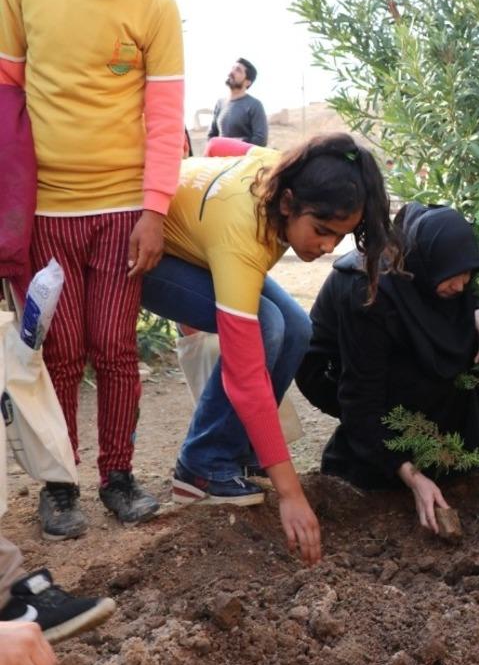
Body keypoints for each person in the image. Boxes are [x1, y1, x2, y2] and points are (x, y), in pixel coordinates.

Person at [140, 133, 399, 566]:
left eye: (341, 236)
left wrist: (201, 191)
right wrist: (290, 492)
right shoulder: (243, 233)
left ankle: (235, 456)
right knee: (266, 327)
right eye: (321, 230)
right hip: (150, 251)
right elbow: (246, 376)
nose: (328, 247)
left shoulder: (282, 168)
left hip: (199, 241)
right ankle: (201, 468)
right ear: (288, 204)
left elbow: (222, 147)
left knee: (296, 327)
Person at [0, 0, 185, 536]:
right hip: (45, 208)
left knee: (114, 348)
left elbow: (168, 116)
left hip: (124, 212)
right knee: (58, 353)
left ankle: (118, 477)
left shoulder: (155, 6)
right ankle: (59, 486)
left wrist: (155, 210)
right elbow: (6, 93)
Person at [297, 202, 479, 534]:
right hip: (332, 374)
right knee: (410, 384)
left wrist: (476, 308)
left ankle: (449, 464)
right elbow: (360, 398)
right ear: (426, 263)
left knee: (467, 346)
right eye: (454, 276)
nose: (462, 284)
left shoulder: (427, 257)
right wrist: (412, 477)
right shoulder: (369, 292)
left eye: (468, 274)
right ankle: (381, 463)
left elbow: (461, 281)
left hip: (381, 359)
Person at [206, 58, 268, 148]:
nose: (232, 72)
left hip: (244, 161)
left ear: (247, 82)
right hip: (220, 160)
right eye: (233, 68)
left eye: (238, 70)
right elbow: (211, 136)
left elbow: (260, 140)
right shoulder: (220, 103)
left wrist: (230, 145)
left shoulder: (254, 105)